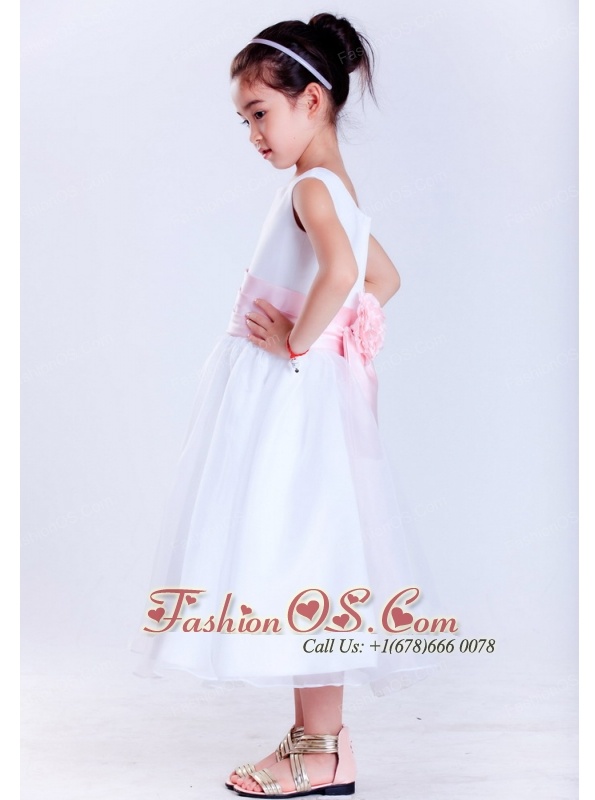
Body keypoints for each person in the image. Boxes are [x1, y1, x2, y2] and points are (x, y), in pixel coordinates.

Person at [130, 12, 441, 798]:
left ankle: (323, 748)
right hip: (305, 399)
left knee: (299, 552)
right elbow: (383, 279)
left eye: (260, 113)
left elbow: (341, 274)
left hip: (289, 400)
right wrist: (326, 340)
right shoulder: (335, 188)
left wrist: (298, 343)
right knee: (308, 552)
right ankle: (315, 743)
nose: (253, 135)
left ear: (312, 100)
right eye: (243, 120)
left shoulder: (309, 187)